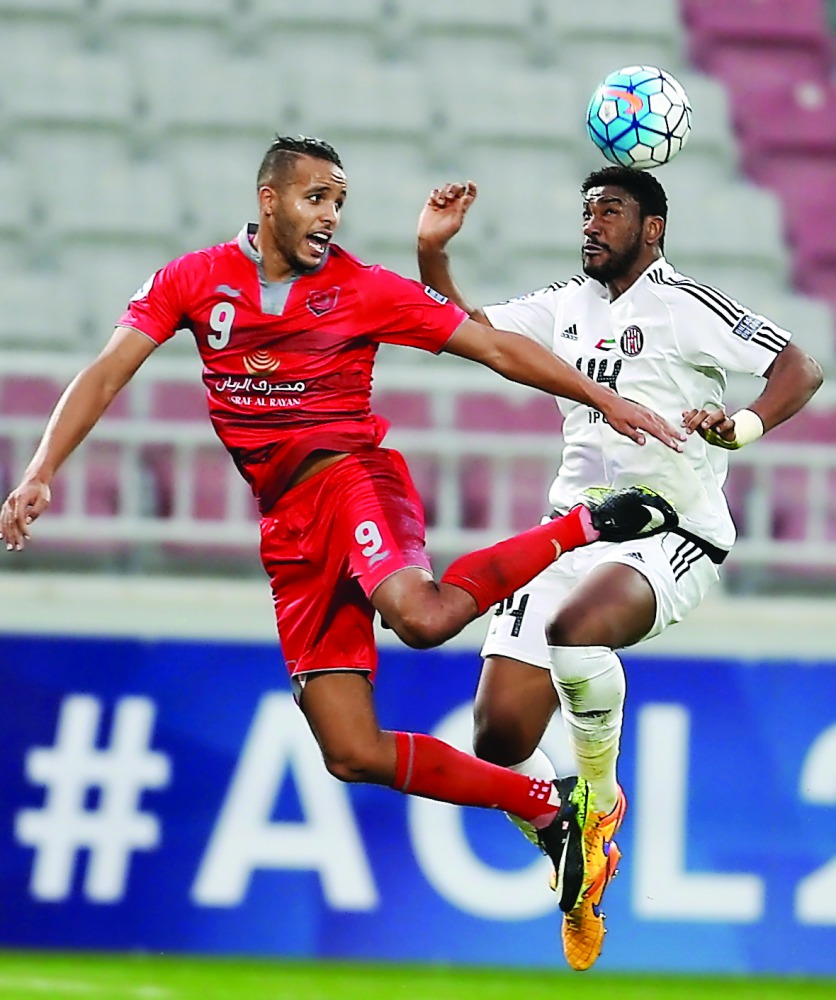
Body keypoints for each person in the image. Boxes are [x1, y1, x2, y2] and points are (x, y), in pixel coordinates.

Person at [0, 136, 685, 916]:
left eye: (339, 202)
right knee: (351, 752)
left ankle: (585, 525)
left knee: (422, 618)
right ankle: (546, 804)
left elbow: (494, 345)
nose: (330, 216)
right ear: (269, 200)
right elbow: (106, 370)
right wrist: (40, 469)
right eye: (316, 198)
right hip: (288, 528)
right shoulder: (193, 280)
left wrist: (606, 402)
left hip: (354, 483)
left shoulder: (363, 287)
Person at [416, 164, 823, 970]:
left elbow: (800, 368)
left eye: (611, 211)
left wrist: (738, 426)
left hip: (672, 532)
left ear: (653, 228)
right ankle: (573, 848)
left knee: (577, 632)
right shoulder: (563, 305)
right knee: (498, 734)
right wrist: (433, 256)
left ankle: (598, 800)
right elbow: (466, 329)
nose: (592, 224)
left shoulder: (690, 307)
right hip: (572, 532)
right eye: (587, 211)